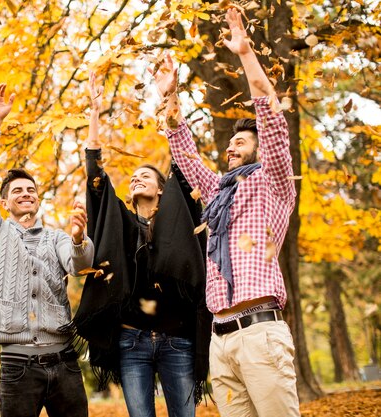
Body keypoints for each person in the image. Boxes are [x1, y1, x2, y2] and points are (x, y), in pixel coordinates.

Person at [156, 8, 300, 417]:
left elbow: (270, 116)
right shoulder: (219, 193)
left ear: (258, 147)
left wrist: (245, 53)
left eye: (241, 141)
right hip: (220, 341)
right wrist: (170, 96)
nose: (231, 147)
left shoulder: (274, 181)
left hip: (260, 335)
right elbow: (184, 154)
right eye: (230, 142)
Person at [70, 71, 211, 417]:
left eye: (145, 175)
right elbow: (95, 177)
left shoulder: (180, 217)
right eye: (133, 177)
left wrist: (170, 98)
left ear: (162, 188)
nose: (136, 178)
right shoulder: (123, 224)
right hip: (131, 341)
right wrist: (94, 109)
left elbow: (184, 162)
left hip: (178, 339)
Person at [0, 83, 95, 417]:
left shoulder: (56, 237)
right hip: (17, 366)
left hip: (65, 363)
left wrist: (80, 237)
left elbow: (81, 264)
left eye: (32, 190)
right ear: (4, 202)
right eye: (18, 190)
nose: (26, 194)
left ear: (38, 199)